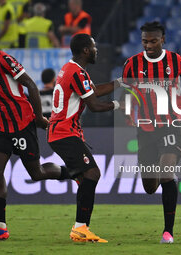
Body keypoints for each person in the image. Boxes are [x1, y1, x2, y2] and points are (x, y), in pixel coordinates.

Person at [0, 28, 72, 241]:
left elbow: (30, 85)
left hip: (21, 124)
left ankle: (72, 172)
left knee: (36, 173)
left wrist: (38, 117)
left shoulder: (3, 59)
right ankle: (0, 226)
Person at [122, 21, 181, 244]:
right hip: (145, 130)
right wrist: (128, 111)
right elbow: (128, 92)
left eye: (153, 41)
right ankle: (167, 179)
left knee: (166, 174)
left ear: (163, 39)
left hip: (170, 126)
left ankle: (168, 232)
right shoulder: (132, 64)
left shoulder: (175, 61)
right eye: (144, 41)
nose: (148, 45)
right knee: (150, 186)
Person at [48, 33, 121, 243]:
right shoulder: (77, 73)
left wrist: (120, 83)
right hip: (64, 133)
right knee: (92, 173)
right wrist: (119, 105)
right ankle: (80, 228)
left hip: (61, 132)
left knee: (85, 178)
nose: (96, 50)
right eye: (94, 46)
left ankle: (80, 228)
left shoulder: (72, 69)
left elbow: (93, 92)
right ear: (86, 50)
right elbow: (95, 106)